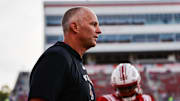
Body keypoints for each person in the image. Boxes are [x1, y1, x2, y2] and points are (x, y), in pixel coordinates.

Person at [28, 6, 101, 101]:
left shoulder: (74, 60)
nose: (99, 31)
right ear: (75, 27)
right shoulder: (57, 57)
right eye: (93, 24)